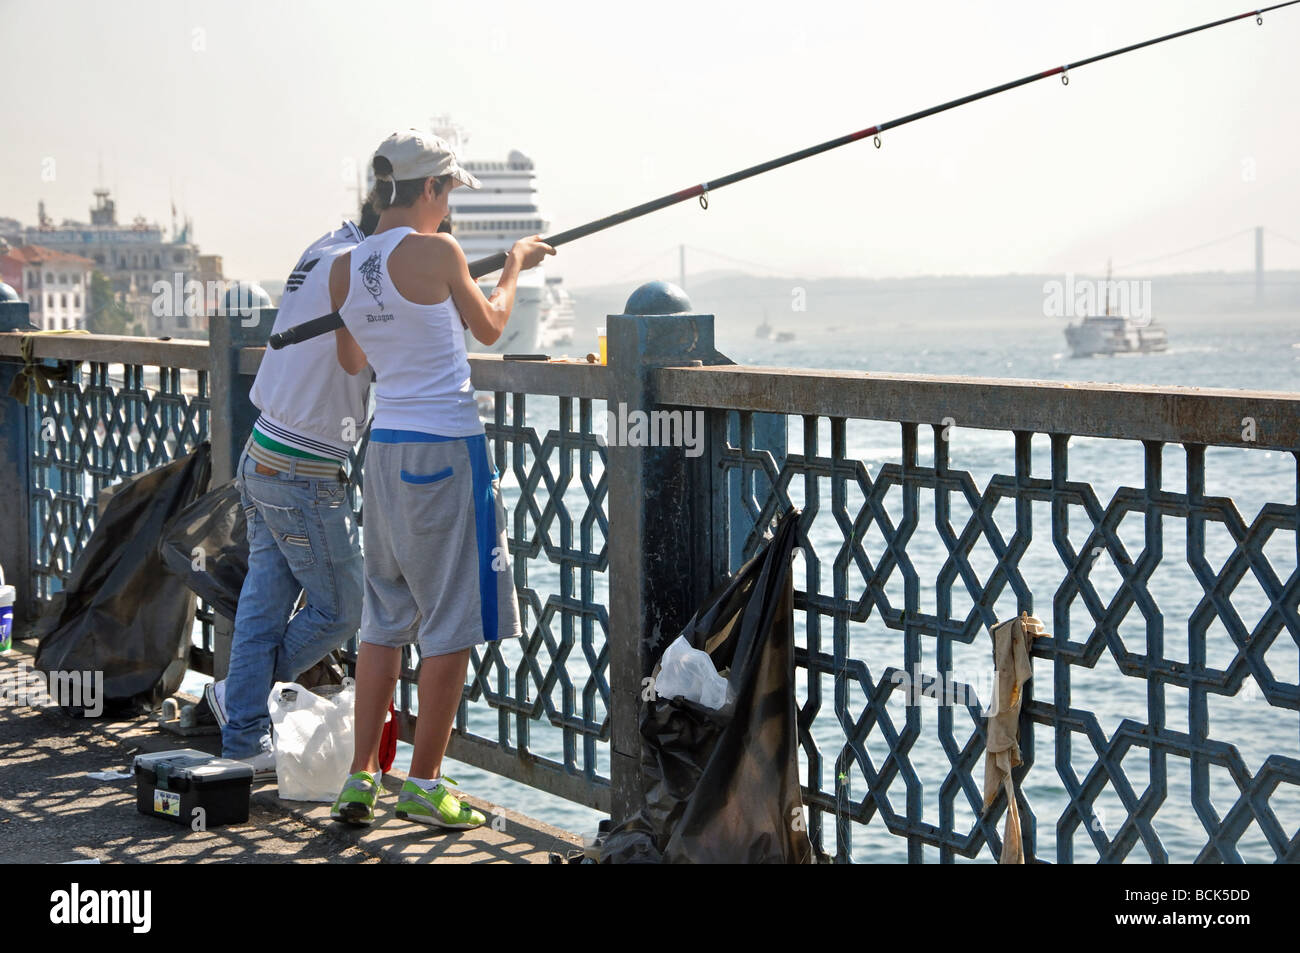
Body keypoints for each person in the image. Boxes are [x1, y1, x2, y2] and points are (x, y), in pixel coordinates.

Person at [327, 129, 553, 827]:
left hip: (384, 449)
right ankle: (424, 783)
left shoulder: (345, 266)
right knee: (451, 621)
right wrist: (514, 266)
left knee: (384, 619)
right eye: (448, 190)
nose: (450, 206)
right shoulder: (441, 252)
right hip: (446, 450)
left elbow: (351, 360)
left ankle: (362, 778)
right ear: (428, 188)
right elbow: (488, 326)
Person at [204, 217, 372, 778]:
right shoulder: (363, 262)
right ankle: (239, 698)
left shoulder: (326, 244)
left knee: (263, 603)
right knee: (344, 607)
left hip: (264, 448)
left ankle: (243, 734)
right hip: (304, 465)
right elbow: (362, 356)